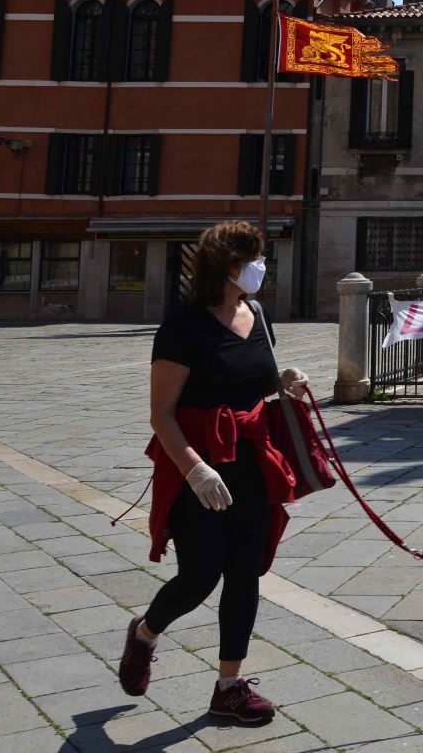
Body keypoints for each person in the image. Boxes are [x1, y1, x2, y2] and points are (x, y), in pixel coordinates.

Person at [115, 221, 309, 726]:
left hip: (252, 464)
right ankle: (145, 633)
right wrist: (196, 470)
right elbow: (162, 413)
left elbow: (257, 383)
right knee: (199, 576)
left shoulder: (258, 314)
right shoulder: (182, 327)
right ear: (227, 264)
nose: (262, 267)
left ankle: (228, 686)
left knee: (245, 573)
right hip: (197, 468)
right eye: (254, 258)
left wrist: (285, 381)